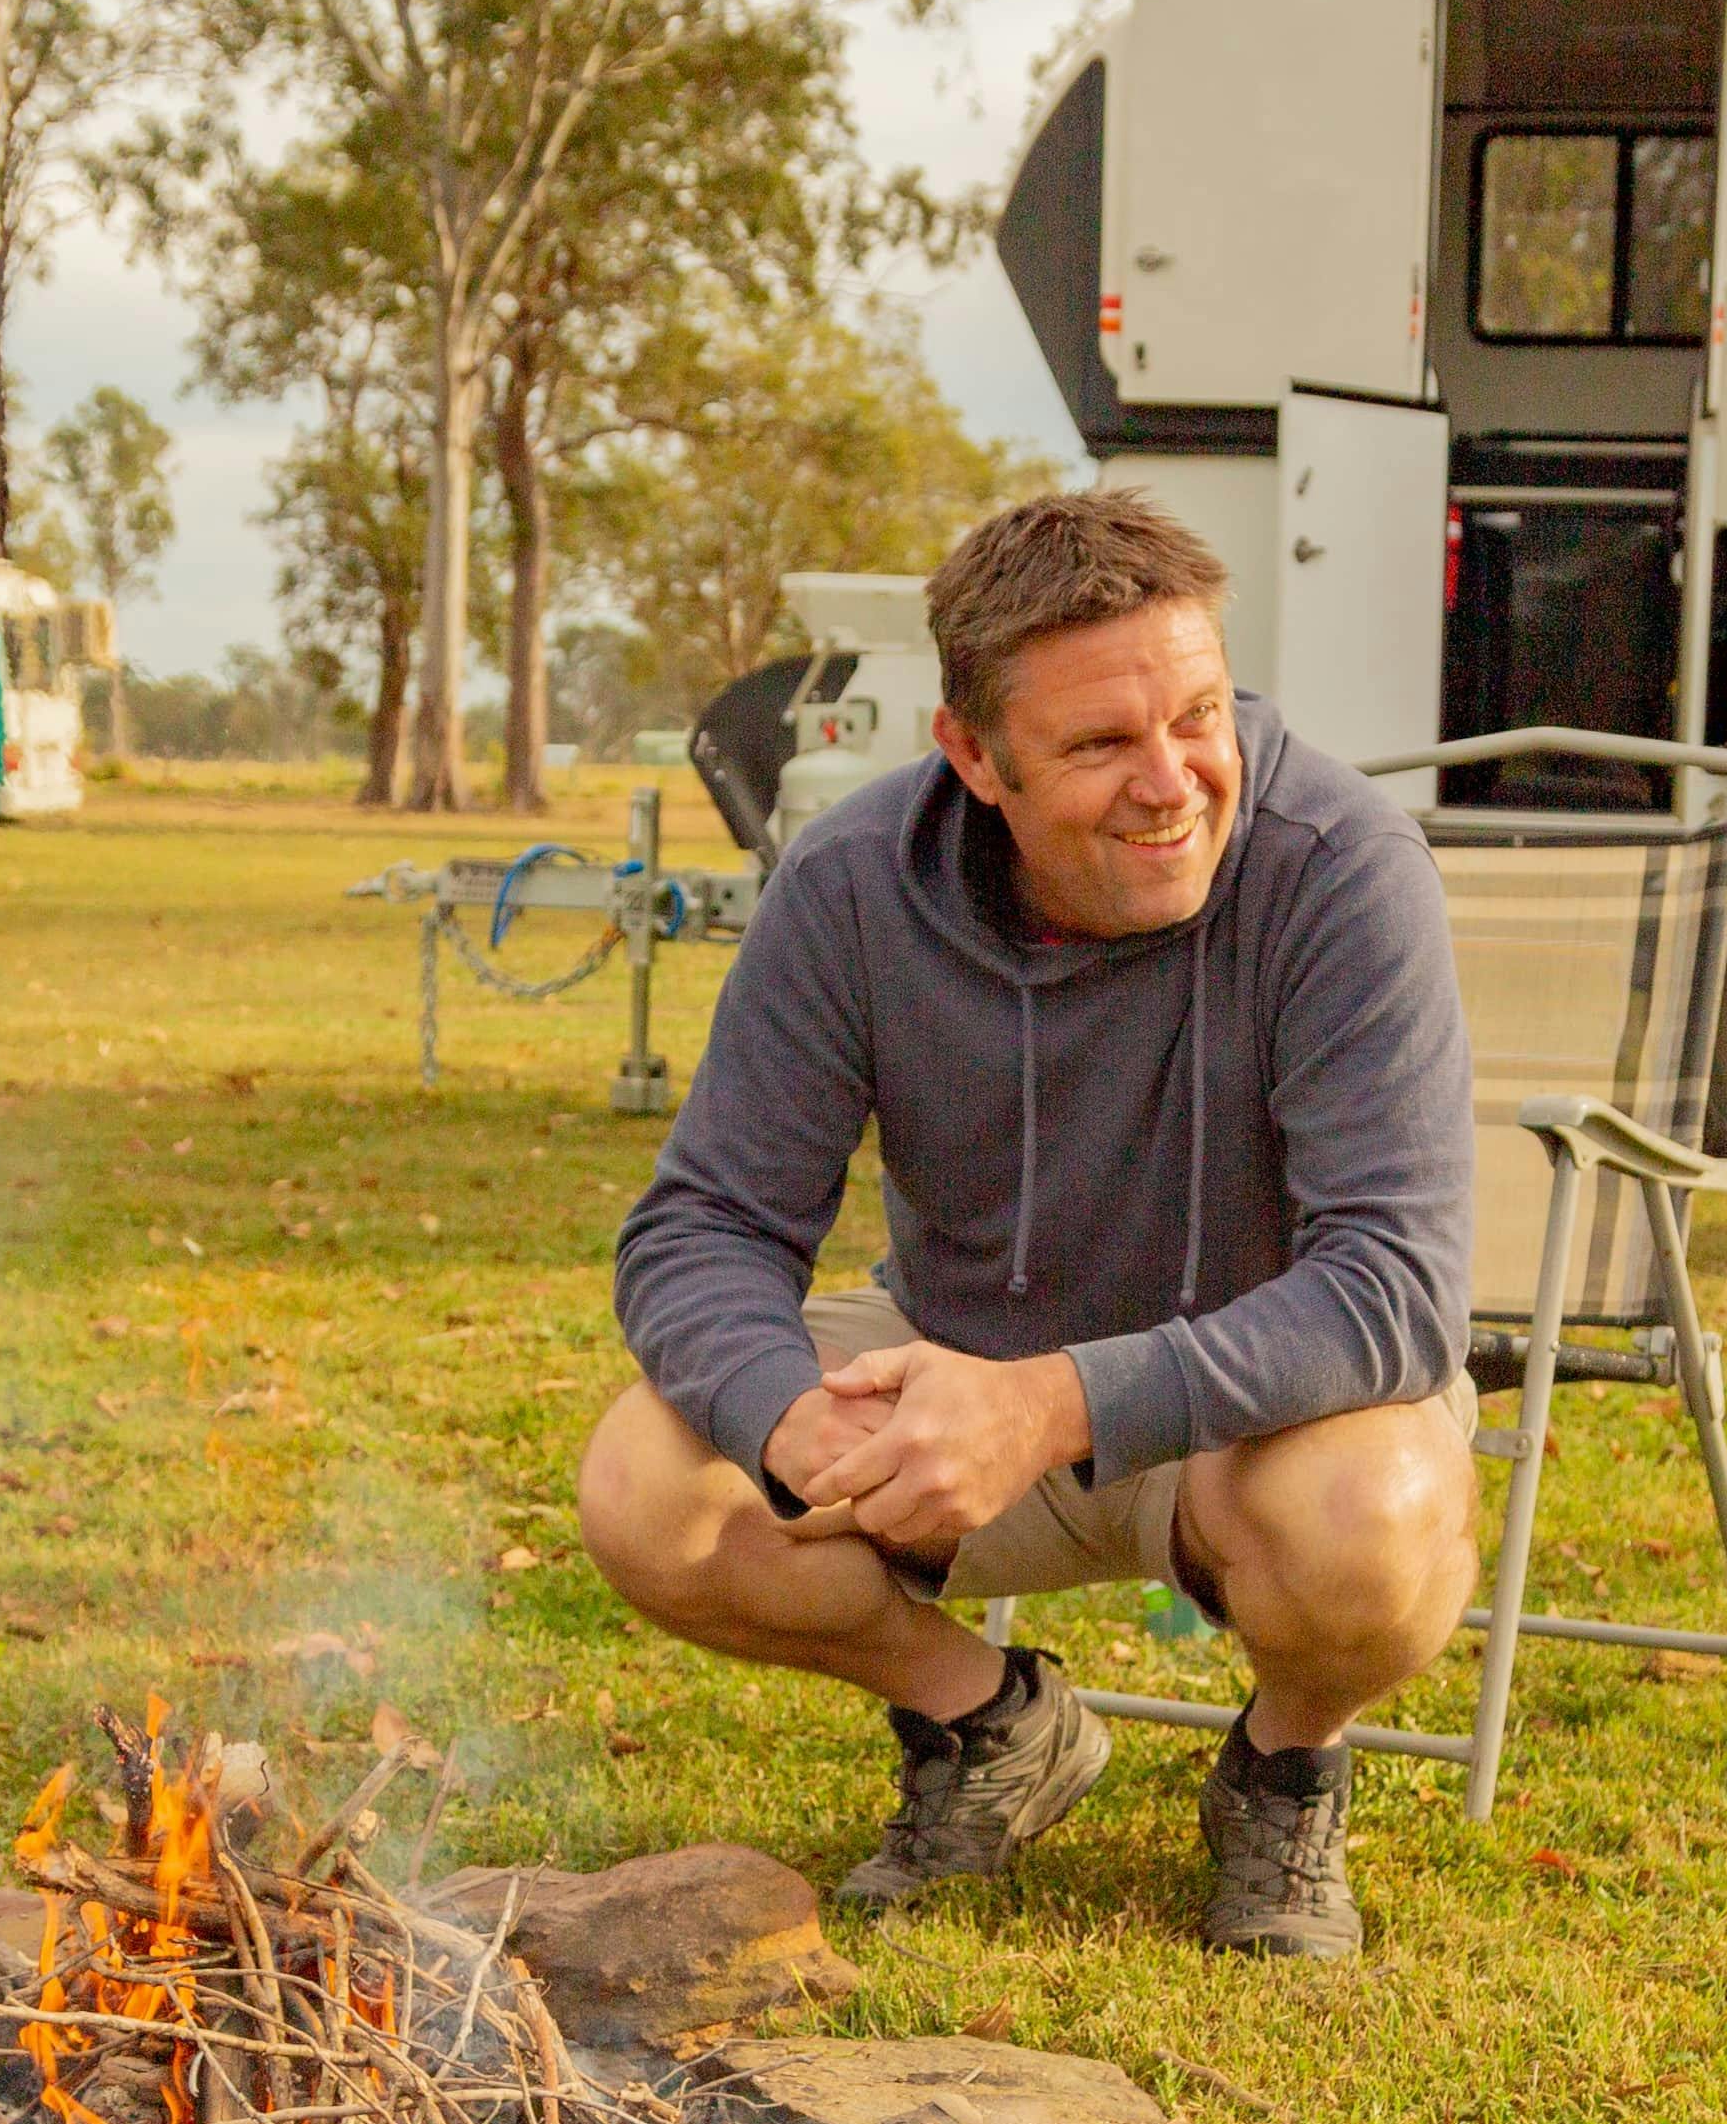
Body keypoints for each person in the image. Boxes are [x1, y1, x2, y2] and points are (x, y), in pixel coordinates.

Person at [579, 490, 1481, 1961]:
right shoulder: (854, 884)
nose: (1174, 780)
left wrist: (1049, 1405)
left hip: (1261, 1428)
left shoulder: (1340, 866)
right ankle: (986, 1722)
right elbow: (703, 1228)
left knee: (1370, 1521)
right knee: (647, 1481)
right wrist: (788, 1423)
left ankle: (1286, 1765)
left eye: (1198, 715)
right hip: (954, 1374)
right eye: (1099, 745)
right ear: (972, 756)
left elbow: (1396, 1292)